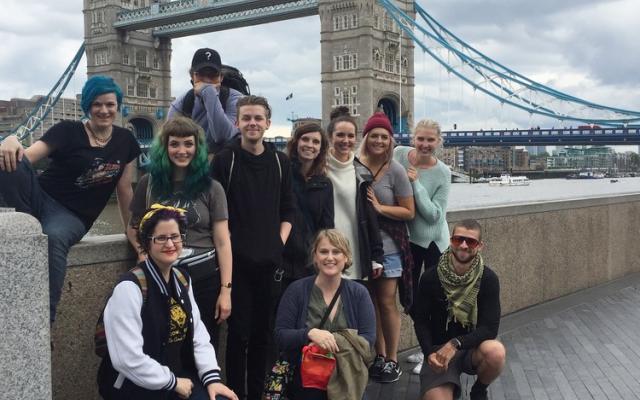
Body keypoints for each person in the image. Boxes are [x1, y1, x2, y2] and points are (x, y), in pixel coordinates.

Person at [0, 75, 141, 323]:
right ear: (87, 106)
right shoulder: (67, 130)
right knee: (6, 162)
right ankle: (23, 225)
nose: (104, 110)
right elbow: (26, 158)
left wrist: (135, 234)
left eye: (110, 104)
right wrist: (10, 141)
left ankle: (45, 321)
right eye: (97, 104)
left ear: (117, 106)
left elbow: (124, 190)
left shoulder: (126, 141)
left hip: (72, 215)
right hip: (38, 198)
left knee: (54, 238)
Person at [98, 204, 238, 400]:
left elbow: (198, 335)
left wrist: (211, 378)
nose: (170, 244)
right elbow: (127, 359)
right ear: (146, 243)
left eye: (175, 236)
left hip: (174, 375)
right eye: (161, 238)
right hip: (135, 385)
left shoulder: (182, 279)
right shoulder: (130, 288)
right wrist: (172, 382)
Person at [211, 95, 295, 399]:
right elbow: (214, 213)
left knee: (263, 336)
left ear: (268, 123)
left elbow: (289, 210)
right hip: (237, 265)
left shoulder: (279, 161)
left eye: (258, 118)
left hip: (269, 265)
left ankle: (257, 393)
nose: (252, 123)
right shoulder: (225, 161)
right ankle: (235, 393)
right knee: (238, 335)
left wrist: (277, 243)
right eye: (246, 118)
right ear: (237, 123)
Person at [127, 117, 233, 349]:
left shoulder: (212, 188)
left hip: (204, 279)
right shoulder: (149, 184)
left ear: (197, 148)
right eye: (174, 144)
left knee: (204, 343)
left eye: (188, 144)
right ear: (164, 147)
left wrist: (226, 291)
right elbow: (133, 227)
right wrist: (142, 252)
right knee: (161, 342)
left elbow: (223, 242)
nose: (182, 150)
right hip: (161, 277)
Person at [275, 229, 376, 400]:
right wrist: (309, 333)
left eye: (336, 252)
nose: (330, 257)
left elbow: (369, 339)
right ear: (315, 257)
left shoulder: (359, 293)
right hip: (305, 384)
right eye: (323, 251)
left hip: (348, 381)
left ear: (346, 257)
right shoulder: (297, 290)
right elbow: (280, 334)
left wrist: (332, 340)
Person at [413, 219, 505, 400]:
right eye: (458, 240)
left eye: (470, 241)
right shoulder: (430, 277)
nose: (463, 245)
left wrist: (455, 343)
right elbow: (421, 320)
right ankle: (445, 384)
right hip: (438, 349)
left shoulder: (488, 279)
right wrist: (428, 352)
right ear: (450, 241)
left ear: (479, 246)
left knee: (496, 351)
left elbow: (490, 328)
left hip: (471, 347)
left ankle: (479, 390)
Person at [357, 112, 415, 383]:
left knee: (386, 302)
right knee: (370, 303)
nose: (379, 140)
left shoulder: (396, 170)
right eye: (374, 135)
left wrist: (379, 208)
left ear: (390, 141)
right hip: (361, 245)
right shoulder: (353, 165)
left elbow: (409, 212)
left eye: (384, 136)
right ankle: (378, 355)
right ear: (366, 137)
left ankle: (392, 358)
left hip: (390, 247)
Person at [393, 119, 451, 373]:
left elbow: (435, 215)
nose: (425, 144)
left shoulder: (443, 172)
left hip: (434, 243)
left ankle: (434, 351)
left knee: (435, 300)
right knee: (410, 299)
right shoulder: (399, 154)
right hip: (408, 240)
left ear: (439, 141)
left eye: (431, 140)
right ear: (413, 138)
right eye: (421, 139)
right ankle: (425, 345)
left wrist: (415, 184)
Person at [325, 106, 384, 284]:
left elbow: (370, 215)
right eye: (340, 135)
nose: (346, 140)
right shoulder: (318, 169)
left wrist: (377, 256)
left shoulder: (362, 173)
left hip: (355, 251)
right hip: (325, 251)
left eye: (350, 136)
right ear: (330, 137)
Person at [282, 122, 334, 285]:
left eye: (316, 142)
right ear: (296, 142)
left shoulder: (325, 183)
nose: (310, 145)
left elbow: (326, 226)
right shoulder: (281, 174)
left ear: (321, 148)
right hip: (282, 257)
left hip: (309, 261)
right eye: (305, 139)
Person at [168, 48, 243, 153]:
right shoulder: (181, 104)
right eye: (201, 74)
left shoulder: (237, 100)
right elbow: (172, 142)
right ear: (192, 76)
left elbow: (223, 136)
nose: (207, 80)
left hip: (228, 164)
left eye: (212, 75)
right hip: (195, 164)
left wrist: (209, 93)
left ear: (221, 77)